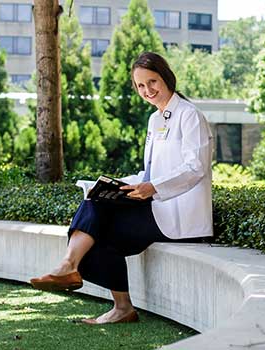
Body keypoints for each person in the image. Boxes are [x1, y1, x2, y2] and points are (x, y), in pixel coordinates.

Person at [29, 51, 213, 324]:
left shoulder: (189, 115)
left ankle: (68, 266)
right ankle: (121, 306)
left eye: (152, 82)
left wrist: (153, 187)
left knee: (94, 215)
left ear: (166, 78)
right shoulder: (155, 119)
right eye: (140, 85)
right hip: (155, 204)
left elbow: (196, 167)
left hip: (177, 215)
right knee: (94, 212)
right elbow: (150, 172)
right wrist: (121, 184)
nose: (147, 90)